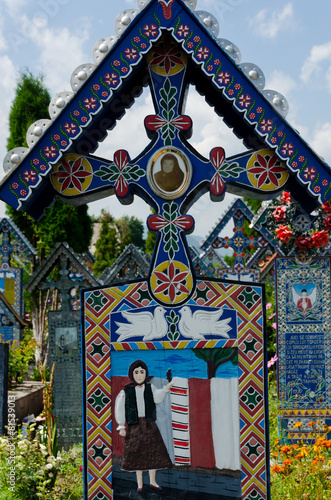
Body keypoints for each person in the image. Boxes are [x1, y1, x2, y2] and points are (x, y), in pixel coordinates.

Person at [115, 360, 173, 493]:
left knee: (153, 452)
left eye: (142, 372)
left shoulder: (150, 388)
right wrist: (121, 426)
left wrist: (165, 389)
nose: (139, 375)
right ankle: (140, 484)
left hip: (149, 424)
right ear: (132, 374)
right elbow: (120, 408)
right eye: (136, 372)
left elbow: (157, 398)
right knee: (137, 454)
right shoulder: (126, 392)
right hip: (135, 425)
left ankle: (153, 482)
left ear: (145, 373)